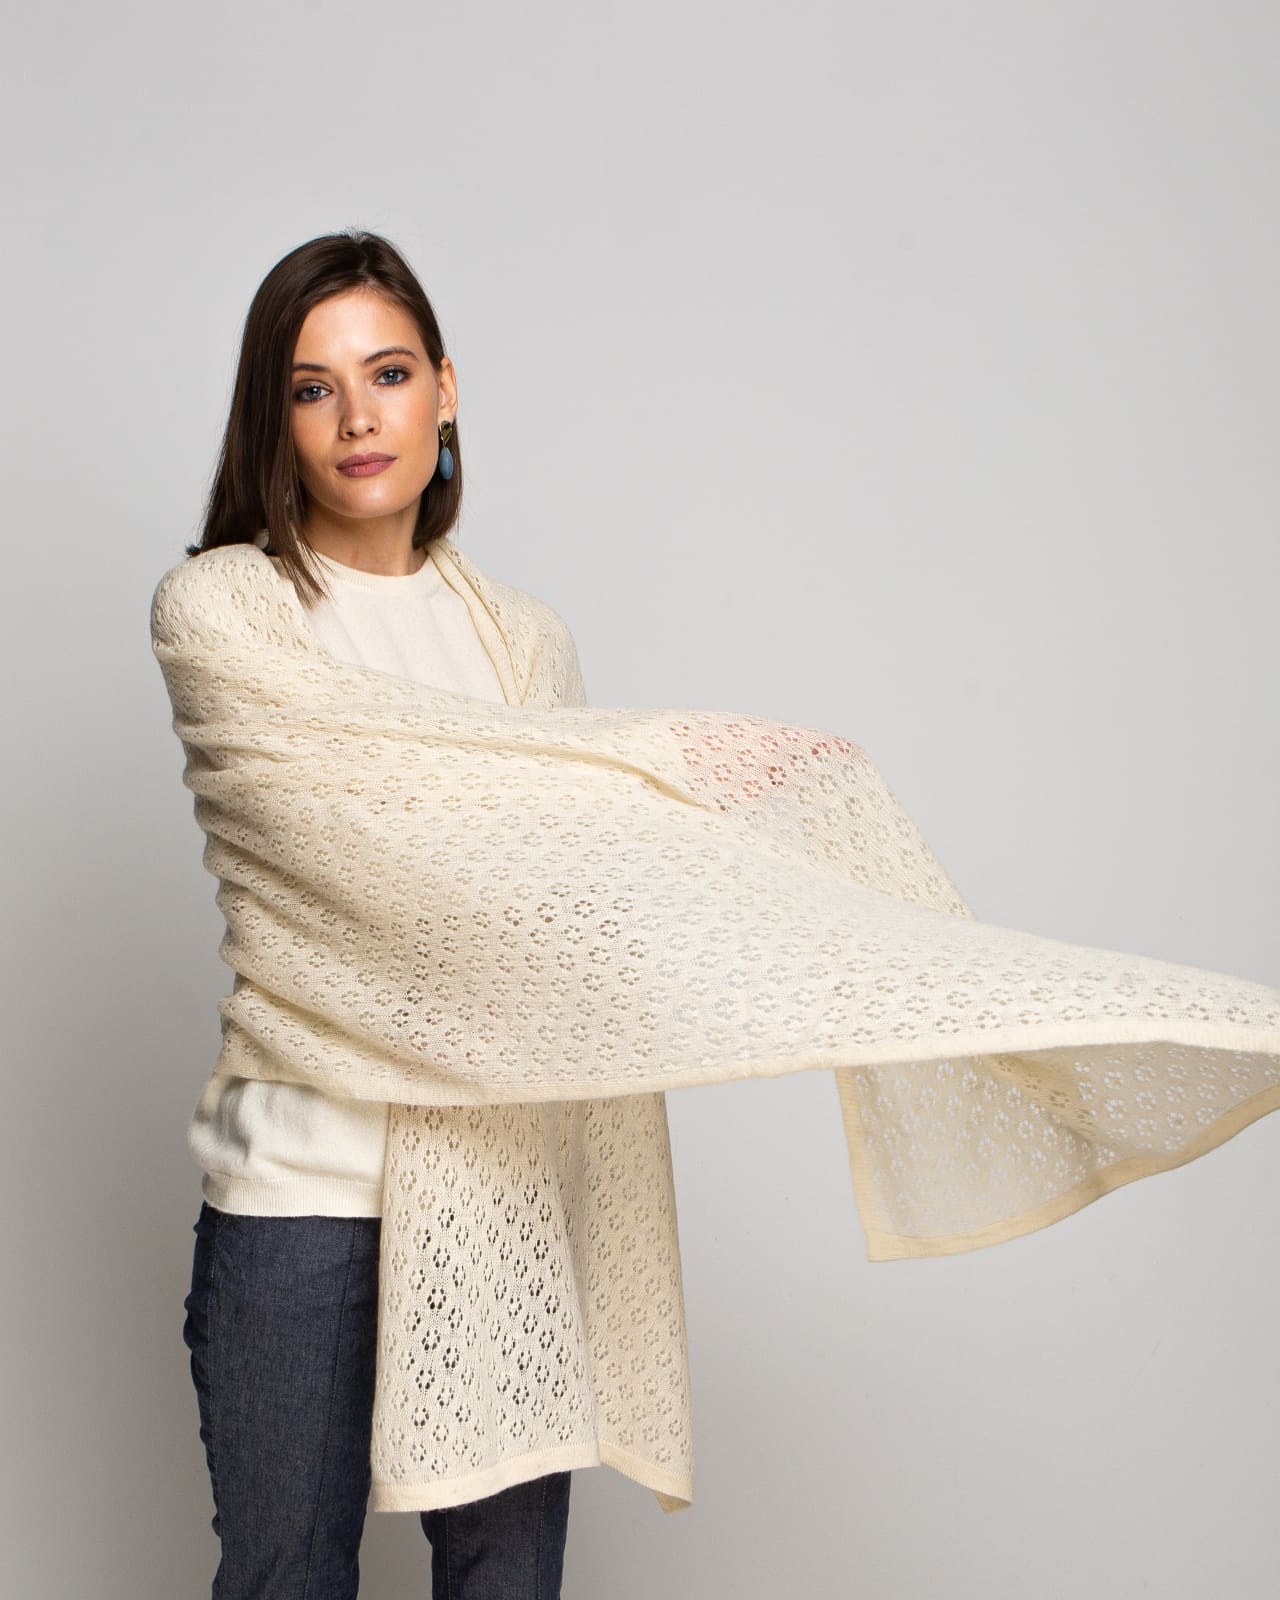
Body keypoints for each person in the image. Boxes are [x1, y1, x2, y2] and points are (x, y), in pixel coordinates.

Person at [178, 229, 572, 1600]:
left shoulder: (525, 640)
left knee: (508, 1581)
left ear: (445, 391)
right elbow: (350, 867)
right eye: (313, 387)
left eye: (389, 373)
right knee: (285, 1577)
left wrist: (703, 802)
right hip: (303, 1192)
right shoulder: (223, 608)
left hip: (502, 1183)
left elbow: (569, 912)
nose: (357, 417)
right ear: (274, 418)